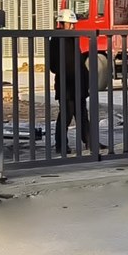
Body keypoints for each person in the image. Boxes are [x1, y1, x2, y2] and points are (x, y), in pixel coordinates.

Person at [48, 9, 94, 154]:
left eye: (74, 24)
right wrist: (66, 72)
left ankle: (90, 141)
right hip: (66, 85)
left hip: (78, 84)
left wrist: (85, 79)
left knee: (82, 115)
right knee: (66, 115)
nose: (73, 27)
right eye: (70, 24)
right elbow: (53, 65)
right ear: (61, 23)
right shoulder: (56, 40)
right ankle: (61, 145)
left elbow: (78, 61)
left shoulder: (73, 38)